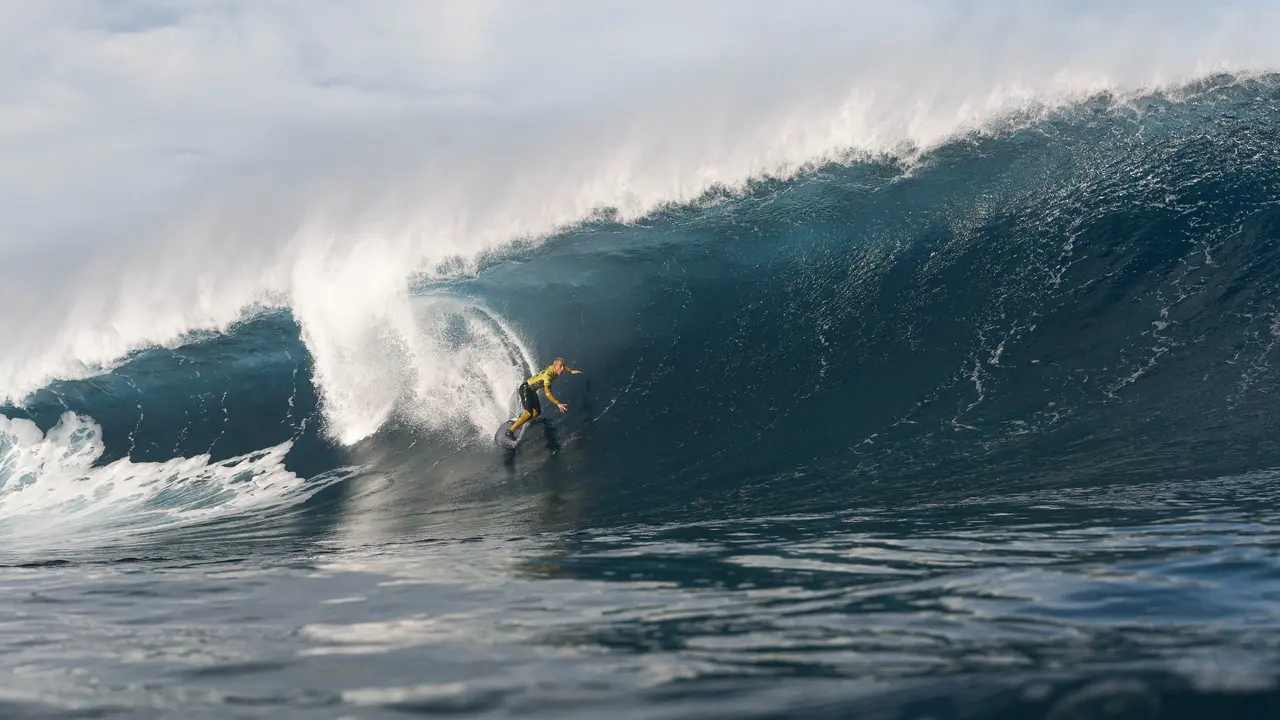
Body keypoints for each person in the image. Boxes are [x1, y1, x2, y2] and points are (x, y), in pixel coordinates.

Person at [507, 357, 582, 439]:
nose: (562, 369)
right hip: (525, 389)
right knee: (529, 413)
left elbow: (561, 363)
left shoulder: (554, 367)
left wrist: (570, 370)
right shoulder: (548, 376)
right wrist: (558, 403)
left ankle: (519, 420)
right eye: (561, 367)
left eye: (563, 367)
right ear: (555, 366)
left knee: (536, 413)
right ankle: (510, 431)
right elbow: (547, 392)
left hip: (532, 391)